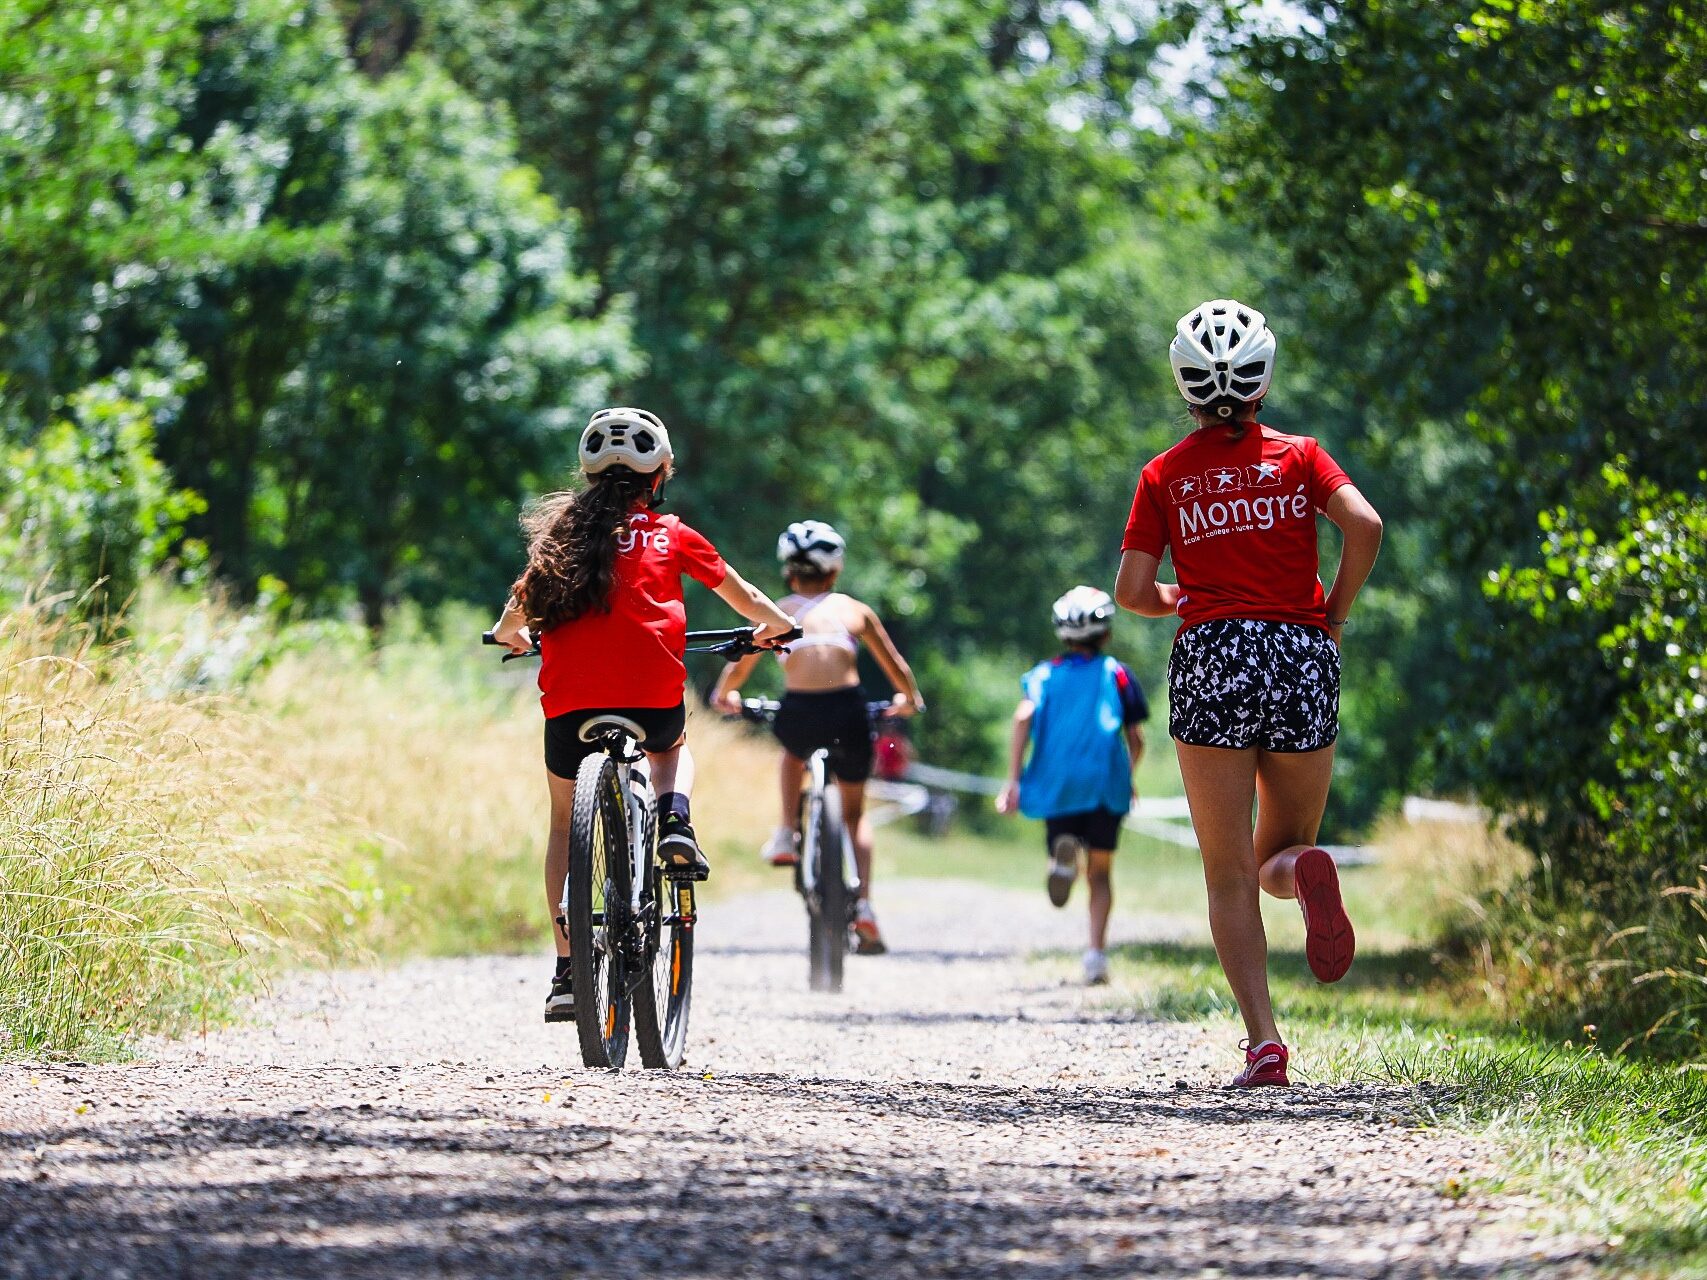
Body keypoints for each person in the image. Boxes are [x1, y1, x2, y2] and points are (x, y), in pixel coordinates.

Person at [1113, 299, 1383, 1088]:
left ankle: (1264, 1044)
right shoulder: (1301, 456)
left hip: (1211, 659)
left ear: (1184, 386)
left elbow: (1132, 590)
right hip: (1300, 655)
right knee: (1279, 850)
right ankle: (1302, 871)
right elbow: (1362, 524)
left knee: (1227, 872)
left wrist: (1186, 599)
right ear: (1264, 377)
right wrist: (1329, 614)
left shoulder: (1163, 473)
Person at [490, 407, 796, 1022]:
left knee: (560, 823)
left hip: (570, 705)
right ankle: (674, 818)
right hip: (649, 693)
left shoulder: (561, 537)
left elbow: (512, 619)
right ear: (660, 475)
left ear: (588, 474)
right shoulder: (672, 533)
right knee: (673, 749)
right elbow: (750, 600)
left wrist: (511, 638)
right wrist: (775, 629)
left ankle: (568, 971)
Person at [711, 520, 923, 956]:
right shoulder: (854, 610)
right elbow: (894, 663)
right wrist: (909, 699)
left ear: (789, 572)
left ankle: (788, 830)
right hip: (847, 710)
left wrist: (725, 694)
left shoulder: (778, 610)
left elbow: (742, 664)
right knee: (855, 815)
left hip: (800, 711)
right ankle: (864, 904)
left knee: (791, 753)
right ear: (835, 573)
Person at [996, 586, 1150, 986]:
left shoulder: (1043, 675)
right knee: (1100, 874)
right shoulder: (1117, 673)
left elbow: (1021, 717)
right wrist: (1127, 776)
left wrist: (1013, 779)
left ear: (1061, 634)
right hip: (1103, 783)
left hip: (1057, 784)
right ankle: (1096, 956)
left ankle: (1061, 858)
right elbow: (1136, 738)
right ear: (1106, 634)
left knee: (1064, 842)